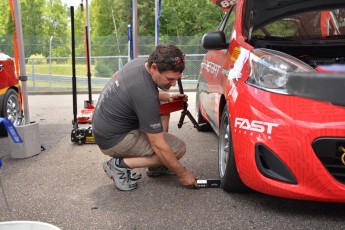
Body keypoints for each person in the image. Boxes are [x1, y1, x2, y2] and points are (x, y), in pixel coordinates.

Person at [92, 44, 198, 191]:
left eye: (177, 79)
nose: (173, 83)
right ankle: (119, 166)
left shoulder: (139, 65)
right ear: (154, 67)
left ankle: (158, 167)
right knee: (177, 149)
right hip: (115, 140)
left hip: (106, 130)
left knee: (163, 115)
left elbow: (136, 94)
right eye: (169, 78)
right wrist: (183, 174)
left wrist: (168, 97)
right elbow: (158, 145)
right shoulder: (145, 95)